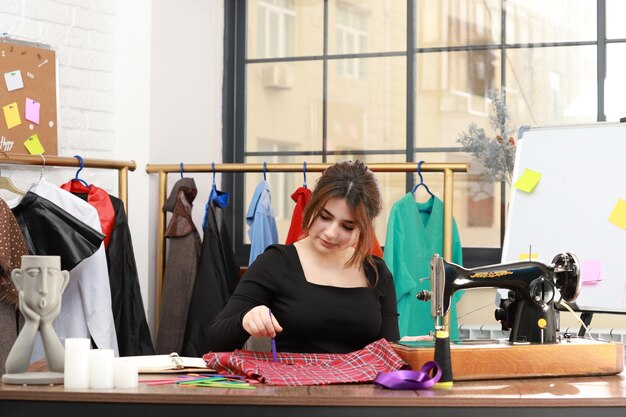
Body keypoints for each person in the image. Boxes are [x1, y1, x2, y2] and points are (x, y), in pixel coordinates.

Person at [208, 160, 399, 353]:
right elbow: (215, 339)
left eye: (347, 226)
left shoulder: (376, 273)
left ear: (364, 229)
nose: (331, 233)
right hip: (291, 382)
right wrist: (244, 320)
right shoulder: (276, 262)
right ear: (312, 206)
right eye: (324, 217)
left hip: (363, 382)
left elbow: (390, 353)